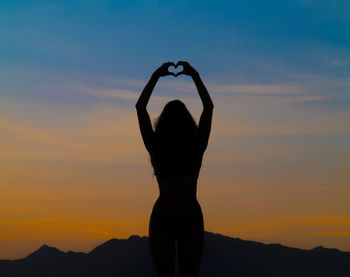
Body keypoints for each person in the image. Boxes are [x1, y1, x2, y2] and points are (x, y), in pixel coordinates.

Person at [136, 61, 214, 277]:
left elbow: (140, 109)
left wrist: (156, 77)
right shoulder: (187, 146)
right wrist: (194, 75)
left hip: (174, 218)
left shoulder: (168, 147)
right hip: (177, 218)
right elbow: (208, 108)